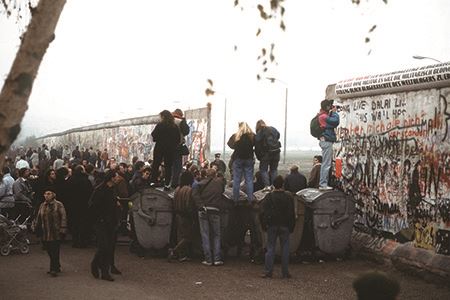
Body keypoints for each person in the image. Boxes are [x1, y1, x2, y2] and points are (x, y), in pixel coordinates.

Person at [89, 169, 122, 281]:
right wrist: (100, 218)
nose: (118, 178)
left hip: (111, 222)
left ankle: (104, 271)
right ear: (111, 178)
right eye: (116, 176)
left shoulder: (112, 189)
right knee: (104, 246)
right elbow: (92, 206)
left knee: (109, 247)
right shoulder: (100, 190)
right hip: (101, 222)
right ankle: (97, 265)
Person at [260, 175, 295, 279]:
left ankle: (268, 272)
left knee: (270, 248)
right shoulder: (288, 197)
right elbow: (291, 213)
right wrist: (291, 226)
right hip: (285, 225)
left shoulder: (269, 197)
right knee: (285, 249)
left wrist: (264, 225)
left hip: (272, 225)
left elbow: (263, 213)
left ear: (273, 185)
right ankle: (285, 272)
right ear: (283, 184)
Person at [192, 168, 225, 266]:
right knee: (216, 235)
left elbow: (194, 195)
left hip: (204, 210)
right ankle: (217, 258)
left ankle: (208, 259)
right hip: (216, 210)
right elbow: (222, 191)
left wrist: (201, 206)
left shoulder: (200, 184)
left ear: (206, 175)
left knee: (205, 235)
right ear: (215, 175)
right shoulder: (220, 183)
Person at [32, 187, 67, 277]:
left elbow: (63, 216)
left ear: (53, 195)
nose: (47, 196)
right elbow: (39, 217)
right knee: (48, 249)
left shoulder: (58, 204)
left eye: (49, 194)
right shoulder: (42, 205)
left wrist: (63, 228)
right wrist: (36, 227)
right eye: (45, 194)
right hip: (45, 232)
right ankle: (57, 265)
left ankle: (53, 269)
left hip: (56, 231)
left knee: (54, 250)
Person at [150, 110, 181, 190]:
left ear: (163, 117)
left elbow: (154, 135)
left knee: (156, 164)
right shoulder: (174, 127)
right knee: (168, 167)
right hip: (170, 149)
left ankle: (153, 181)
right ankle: (167, 184)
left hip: (159, 147)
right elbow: (178, 139)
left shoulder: (160, 125)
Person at [169, 171, 195, 262]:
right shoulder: (189, 190)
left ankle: (181, 255)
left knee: (180, 236)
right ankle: (174, 251)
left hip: (177, 214)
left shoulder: (177, 189)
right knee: (188, 236)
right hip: (185, 215)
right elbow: (189, 204)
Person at [227, 122, 255, 203]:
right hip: (249, 158)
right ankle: (250, 199)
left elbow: (230, 145)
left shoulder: (236, 136)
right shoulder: (252, 136)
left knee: (236, 180)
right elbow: (256, 143)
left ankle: (235, 200)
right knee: (249, 180)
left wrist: (237, 146)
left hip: (238, 158)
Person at [317, 99, 339, 190]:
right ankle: (323, 184)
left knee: (326, 163)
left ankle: (323, 183)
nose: (331, 107)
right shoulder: (323, 117)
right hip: (326, 141)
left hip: (325, 140)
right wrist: (334, 112)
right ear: (326, 107)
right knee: (326, 164)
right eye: (330, 105)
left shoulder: (321, 115)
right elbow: (335, 121)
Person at [255, 120, 281, 191]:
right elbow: (278, 135)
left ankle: (267, 186)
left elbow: (257, 144)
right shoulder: (273, 129)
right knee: (274, 170)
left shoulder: (260, 132)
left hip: (266, 154)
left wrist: (259, 156)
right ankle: (274, 186)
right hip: (276, 152)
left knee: (263, 170)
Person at [171, 109, 190, 188]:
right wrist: (184, 121)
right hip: (177, 147)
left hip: (166, 148)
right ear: (180, 114)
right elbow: (186, 131)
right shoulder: (180, 121)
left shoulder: (166, 121)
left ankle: (167, 183)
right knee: (177, 167)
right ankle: (174, 184)